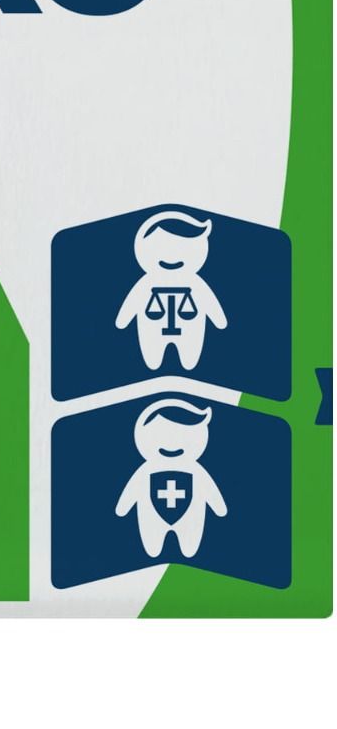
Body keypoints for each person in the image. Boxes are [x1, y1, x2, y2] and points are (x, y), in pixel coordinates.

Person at [115, 210, 226, 370]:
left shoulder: (195, 282)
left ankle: (188, 362)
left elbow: (208, 301)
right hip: (153, 327)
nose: (172, 256)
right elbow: (133, 301)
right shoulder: (147, 282)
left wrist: (219, 320)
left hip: (189, 327)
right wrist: (123, 320)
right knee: (152, 361)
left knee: (190, 361)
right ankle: (154, 362)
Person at [115, 398, 227, 558]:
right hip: (152, 514)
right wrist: (123, 507)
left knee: (190, 547)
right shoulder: (146, 469)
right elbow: (133, 488)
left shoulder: (195, 469)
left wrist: (219, 508)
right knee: (152, 548)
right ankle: (154, 550)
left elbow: (209, 489)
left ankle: (187, 550)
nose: (172, 443)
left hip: (190, 515)